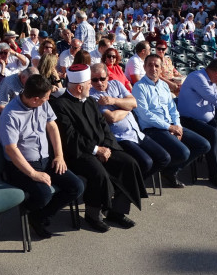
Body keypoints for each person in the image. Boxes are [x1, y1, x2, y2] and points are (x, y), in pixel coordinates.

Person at [51, 64, 147, 233]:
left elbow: (104, 127)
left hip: (102, 147)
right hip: (78, 153)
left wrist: (109, 147)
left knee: (129, 163)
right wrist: (96, 150)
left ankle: (116, 211)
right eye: (90, 83)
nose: (93, 86)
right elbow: (71, 138)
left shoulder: (89, 100)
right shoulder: (60, 105)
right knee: (99, 173)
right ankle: (93, 215)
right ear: (80, 87)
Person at [0, 74, 84, 238]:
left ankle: (38, 216)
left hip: (45, 158)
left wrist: (59, 156)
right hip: (22, 165)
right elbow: (11, 149)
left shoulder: (42, 104)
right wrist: (33, 174)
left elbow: (52, 127)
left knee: (76, 186)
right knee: (43, 194)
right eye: (45, 98)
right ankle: (31, 211)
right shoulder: (10, 114)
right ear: (35, 99)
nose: (48, 100)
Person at [132, 55, 215, 188]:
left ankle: (170, 170)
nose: (153, 68)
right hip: (153, 129)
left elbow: (172, 108)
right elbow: (145, 114)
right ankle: (168, 170)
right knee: (184, 152)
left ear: (161, 69)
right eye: (150, 65)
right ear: (144, 67)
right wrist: (169, 127)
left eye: (156, 66)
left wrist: (178, 125)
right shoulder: (139, 87)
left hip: (171, 125)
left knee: (204, 145)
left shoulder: (164, 86)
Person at [89, 63, 170, 180]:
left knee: (164, 157)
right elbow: (112, 117)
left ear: (107, 77)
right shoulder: (92, 96)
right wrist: (128, 107)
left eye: (102, 78)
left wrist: (113, 101)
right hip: (121, 137)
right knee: (146, 162)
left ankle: (134, 184)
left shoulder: (116, 84)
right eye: (94, 80)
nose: (99, 83)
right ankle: (131, 187)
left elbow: (134, 103)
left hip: (137, 133)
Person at [178, 58, 217, 183]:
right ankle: (214, 174)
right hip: (189, 120)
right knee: (213, 133)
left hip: (207, 119)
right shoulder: (198, 78)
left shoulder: (211, 81)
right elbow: (215, 98)